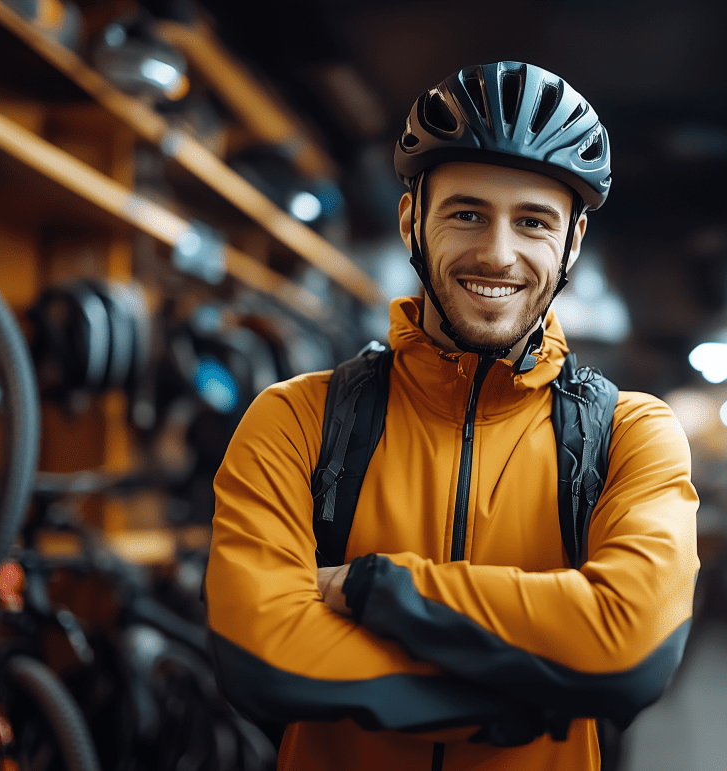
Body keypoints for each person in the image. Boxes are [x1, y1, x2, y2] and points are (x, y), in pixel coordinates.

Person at [205, 61, 700, 771]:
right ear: (413, 219)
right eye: (467, 212)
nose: (498, 253)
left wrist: (369, 588)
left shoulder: (630, 434)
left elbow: (629, 645)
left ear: (572, 244)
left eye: (533, 221)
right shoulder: (295, 419)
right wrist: (537, 690)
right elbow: (261, 653)